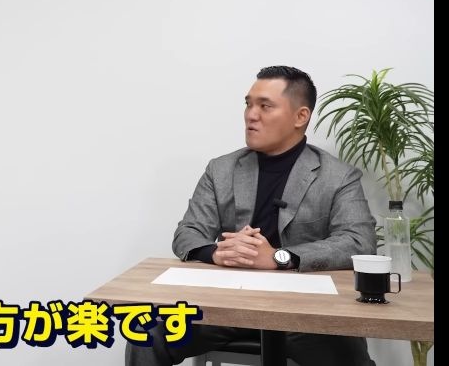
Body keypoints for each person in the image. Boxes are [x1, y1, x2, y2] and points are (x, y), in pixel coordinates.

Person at [126, 66, 377, 366]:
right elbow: (187, 233)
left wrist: (279, 257)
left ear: (300, 116)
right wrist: (217, 253)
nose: (250, 115)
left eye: (265, 106)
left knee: (348, 352)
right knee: (146, 330)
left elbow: (359, 241)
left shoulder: (337, 176)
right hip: (225, 307)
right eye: (248, 104)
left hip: (305, 311)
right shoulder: (221, 169)